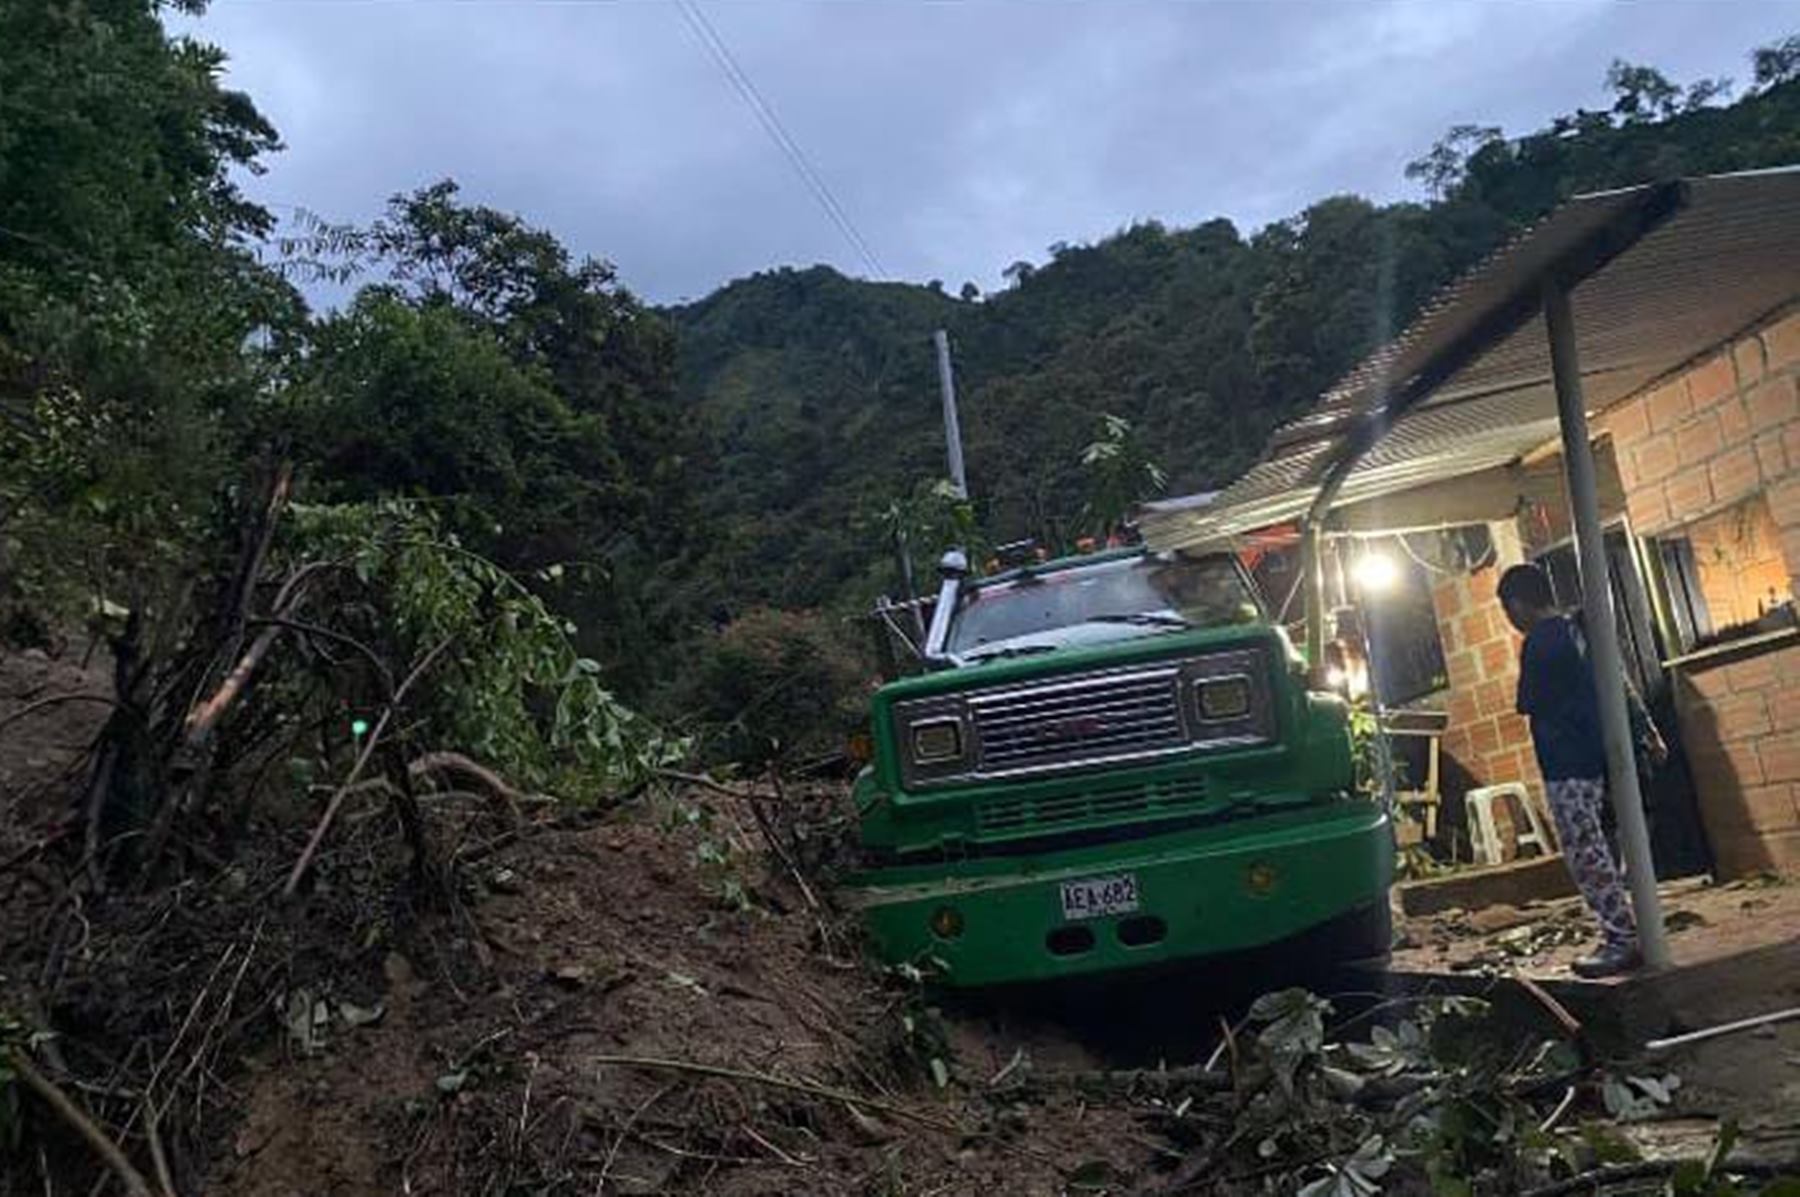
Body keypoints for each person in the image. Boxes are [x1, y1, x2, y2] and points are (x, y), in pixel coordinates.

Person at [1496, 563, 1668, 978]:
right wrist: (1646, 730)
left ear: (1517, 605)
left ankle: (1621, 939)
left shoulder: (1542, 643)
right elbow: (1620, 682)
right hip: (1602, 757)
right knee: (1609, 848)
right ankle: (1634, 931)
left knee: (1586, 853)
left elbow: (1529, 703)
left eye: (1507, 609)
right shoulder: (1579, 632)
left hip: (1569, 762)